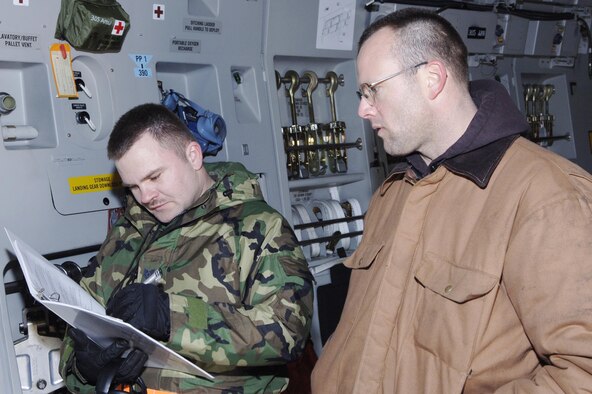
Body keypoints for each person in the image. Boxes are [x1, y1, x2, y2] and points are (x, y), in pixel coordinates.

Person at [312, 7, 592, 393]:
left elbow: (582, 374)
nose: (363, 108)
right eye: (361, 94)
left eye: (372, 90)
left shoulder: (547, 196)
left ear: (432, 78)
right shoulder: (392, 193)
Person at [59, 103, 314, 393]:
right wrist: (84, 366)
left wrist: (172, 316)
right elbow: (81, 316)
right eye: (133, 187)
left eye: (154, 177)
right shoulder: (127, 233)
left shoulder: (259, 227)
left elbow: (287, 333)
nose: (146, 197)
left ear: (193, 156)